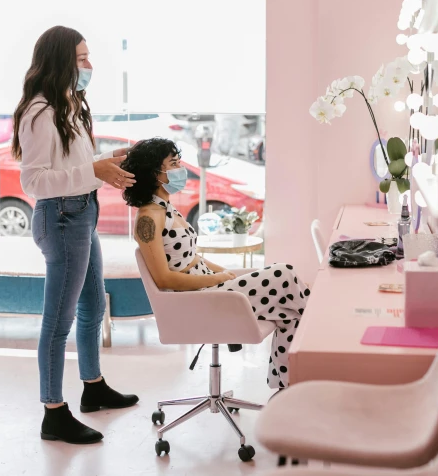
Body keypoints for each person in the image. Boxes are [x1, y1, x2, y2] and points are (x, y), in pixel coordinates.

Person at [11, 26, 139, 445]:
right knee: (58, 322)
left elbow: (73, 164)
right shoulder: (40, 111)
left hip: (82, 213)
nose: (89, 66)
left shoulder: (69, 105)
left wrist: (104, 161)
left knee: (91, 307)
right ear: (60, 60)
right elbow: (34, 182)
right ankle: (53, 412)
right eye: (81, 59)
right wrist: (92, 172)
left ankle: (93, 386)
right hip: (62, 218)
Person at [123, 138, 310, 390]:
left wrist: (224, 273)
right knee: (284, 274)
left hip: (209, 289)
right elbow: (164, 279)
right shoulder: (148, 218)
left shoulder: (167, 209)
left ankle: (287, 386)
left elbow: (192, 258)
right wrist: (216, 279)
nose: (181, 169)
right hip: (195, 300)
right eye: (174, 163)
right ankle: (321, 322)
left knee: (291, 311)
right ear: (155, 173)